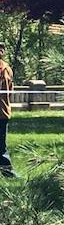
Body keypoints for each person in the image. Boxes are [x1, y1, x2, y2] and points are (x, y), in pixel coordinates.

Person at [0, 43, 15, 177]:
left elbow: (9, 90)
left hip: (1, 113)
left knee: (1, 144)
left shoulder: (6, 68)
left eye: (2, 49)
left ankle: (7, 171)